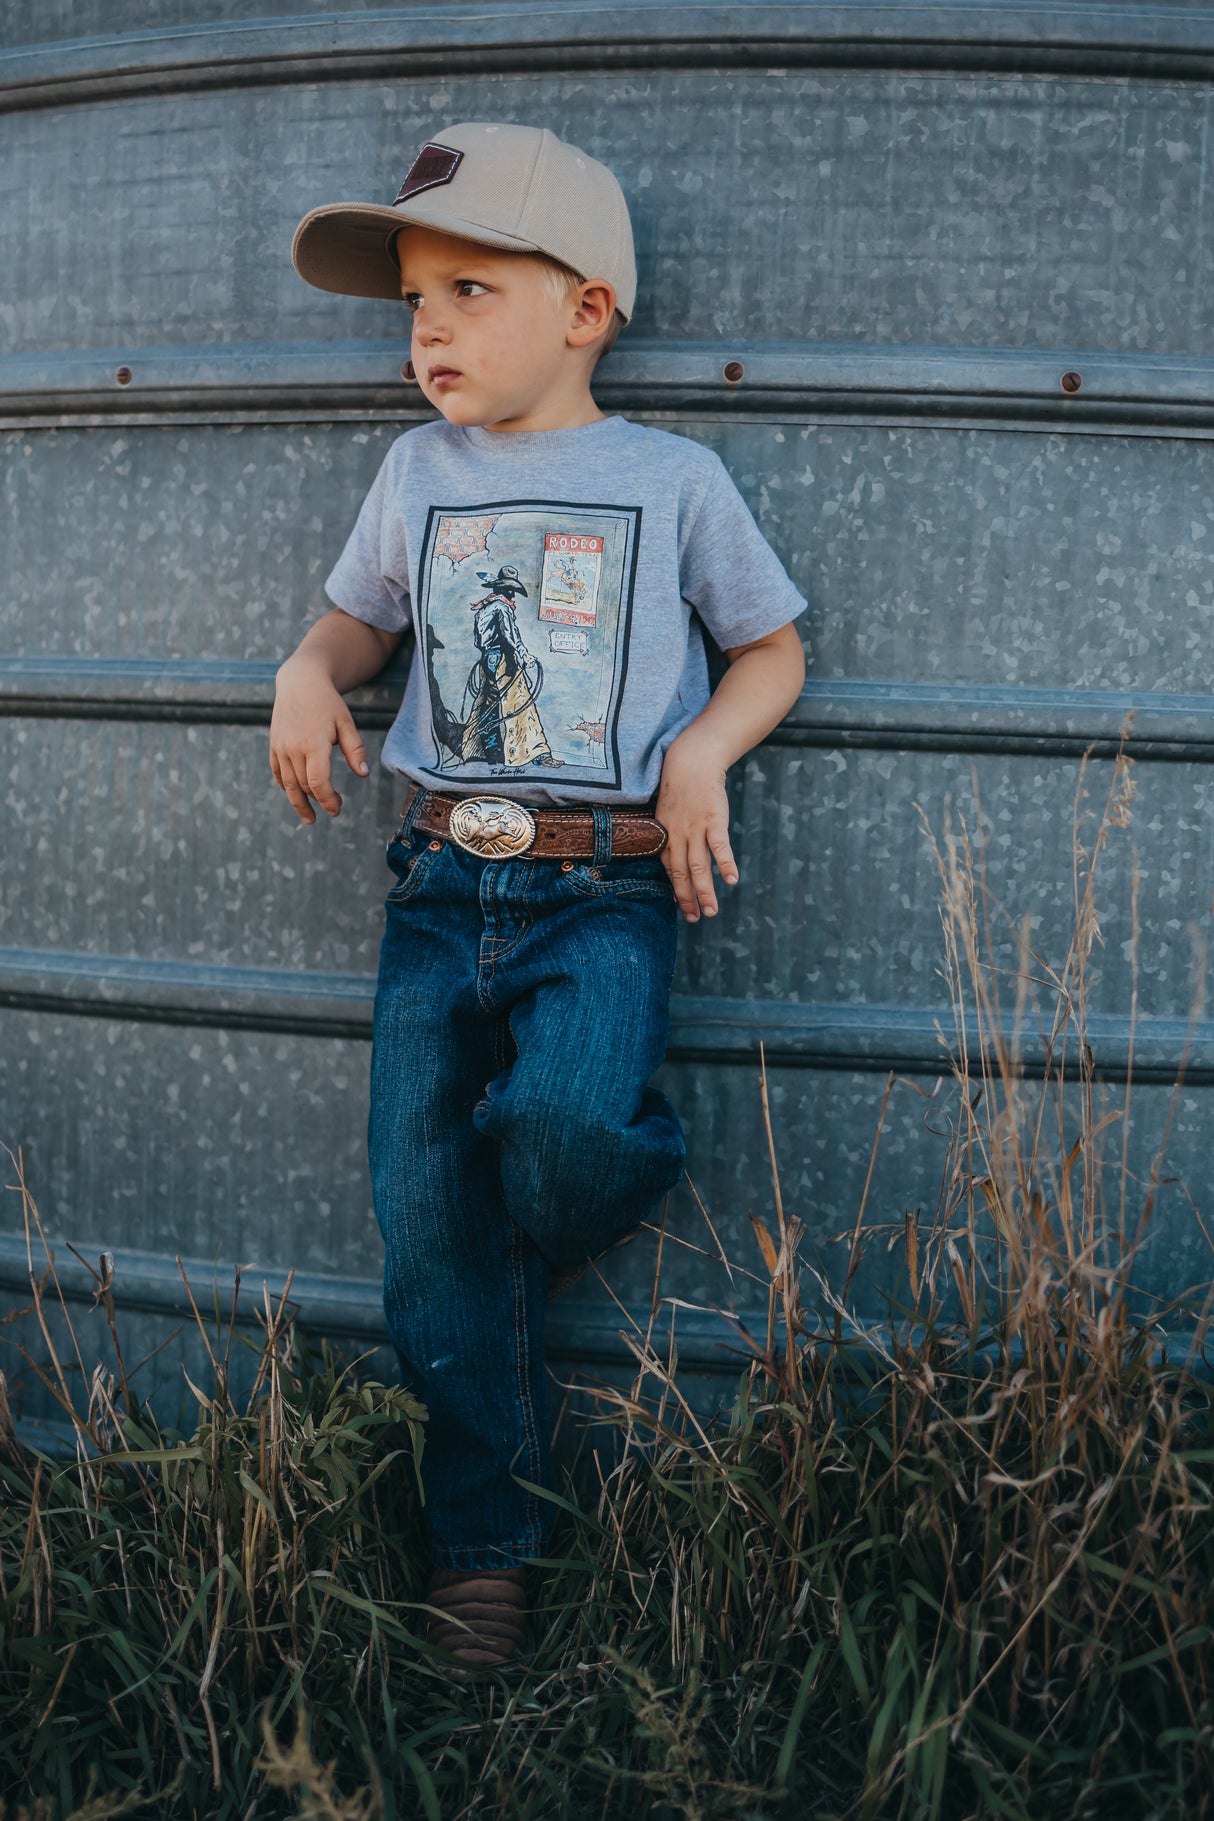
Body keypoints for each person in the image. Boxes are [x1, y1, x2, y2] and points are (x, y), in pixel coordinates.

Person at [272, 122, 807, 1677]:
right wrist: (304, 673)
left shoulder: (669, 477)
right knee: (425, 1225)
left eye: (467, 290)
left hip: (601, 889)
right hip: (440, 887)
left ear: (583, 311)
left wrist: (701, 752)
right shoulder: (412, 472)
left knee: (560, 1142)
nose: (428, 326)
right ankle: (484, 1552)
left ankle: (537, 1173)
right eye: (412, 302)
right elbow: (352, 627)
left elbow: (771, 645)